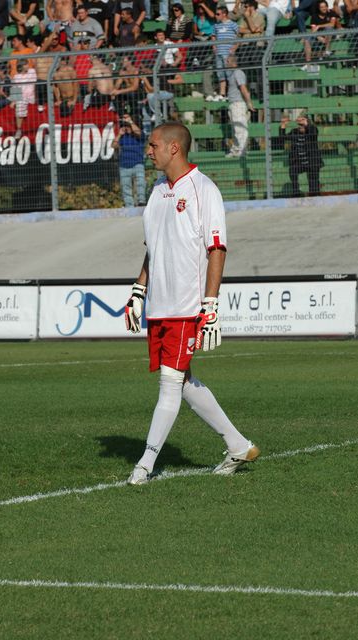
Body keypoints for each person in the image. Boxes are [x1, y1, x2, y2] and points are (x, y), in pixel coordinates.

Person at [125, 122, 260, 485]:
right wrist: (139, 291)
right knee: (182, 380)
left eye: (153, 145)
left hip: (187, 306)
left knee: (170, 383)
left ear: (174, 148)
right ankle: (238, 444)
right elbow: (152, 250)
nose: (148, 151)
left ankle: (144, 464)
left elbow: (216, 249)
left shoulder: (204, 190)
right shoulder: (156, 192)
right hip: (160, 307)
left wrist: (210, 304)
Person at [279, 112, 323, 197]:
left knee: (313, 181)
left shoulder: (312, 130)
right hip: (299, 163)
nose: (300, 127)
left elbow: (314, 133)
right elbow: (282, 137)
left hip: (312, 162)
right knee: (292, 171)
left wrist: (306, 124)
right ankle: (296, 193)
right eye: (299, 125)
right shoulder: (294, 132)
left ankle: (315, 196)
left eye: (302, 125)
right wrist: (283, 124)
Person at [112, 113, 146, 207]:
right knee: (125, 187)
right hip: (124, 165)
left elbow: (138, 132)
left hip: (137, 163)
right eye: (124, 125)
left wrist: (130, 121)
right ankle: (129, 206)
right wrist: (119, 134)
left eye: (127, 126)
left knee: (140, 183)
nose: (126, 127)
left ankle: (141, 201)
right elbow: (114, 145)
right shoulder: (123, 137)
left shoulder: (139, 135)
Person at [225, 53, 255, 157]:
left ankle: (242, 150)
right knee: (235, 129)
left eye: (227, 61)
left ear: (231, 62)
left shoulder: (238, 73)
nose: (225, 63)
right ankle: (236, 150)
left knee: (240, 128)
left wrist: (249, 102)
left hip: (238, 104)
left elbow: (243, 88)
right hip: (233, 104)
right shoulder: (233, 74)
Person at [10, 57, 37, 138]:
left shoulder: (32, 71)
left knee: (21, 103)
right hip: (21, 97)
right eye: (25, 64)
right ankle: (19, 129)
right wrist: (14, 101)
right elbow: (15, 89)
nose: (27, 65)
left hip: (30, 96)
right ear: (21, 66)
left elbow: (34, 84)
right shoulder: (16, 77)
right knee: (19, 104)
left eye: (27, 63)